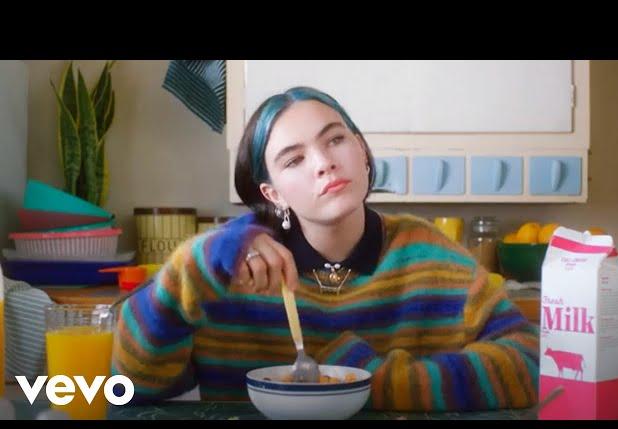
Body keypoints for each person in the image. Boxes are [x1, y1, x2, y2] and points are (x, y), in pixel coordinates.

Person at [111, 86, 539, 412]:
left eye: (335, 140)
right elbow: (129, 387)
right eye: (293, 160)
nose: (323, 162)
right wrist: (189, 269)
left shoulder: (430, 258)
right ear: (273, 193)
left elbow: (531, 363)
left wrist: (366, 380)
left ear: (361, 150)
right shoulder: (228, 266)